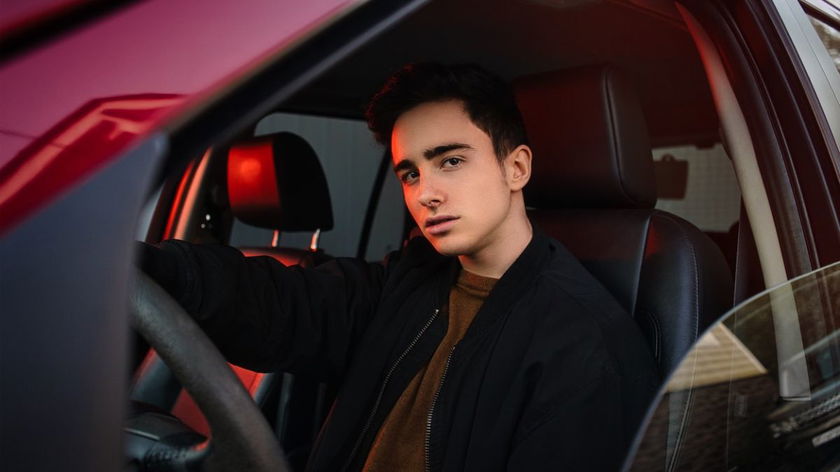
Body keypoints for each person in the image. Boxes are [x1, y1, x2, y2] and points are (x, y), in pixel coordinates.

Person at [140, 63, 659, 471]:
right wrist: (145, 270)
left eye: (450, 161)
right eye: (410, 174)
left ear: (516, 167)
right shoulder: (410, 280)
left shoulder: (585, 348)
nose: (425, 193)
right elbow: (280, 301)